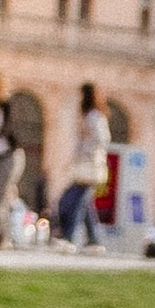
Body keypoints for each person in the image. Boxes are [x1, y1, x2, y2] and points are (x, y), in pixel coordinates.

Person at [54, 93, 108, 245]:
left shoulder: (95, 116)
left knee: (72, 202)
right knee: (85, 205)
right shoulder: (89, 116)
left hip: (89, 168)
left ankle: (68, 237)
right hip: (83, 168)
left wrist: (87, 152)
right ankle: (94, 241)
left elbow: (102, 139)